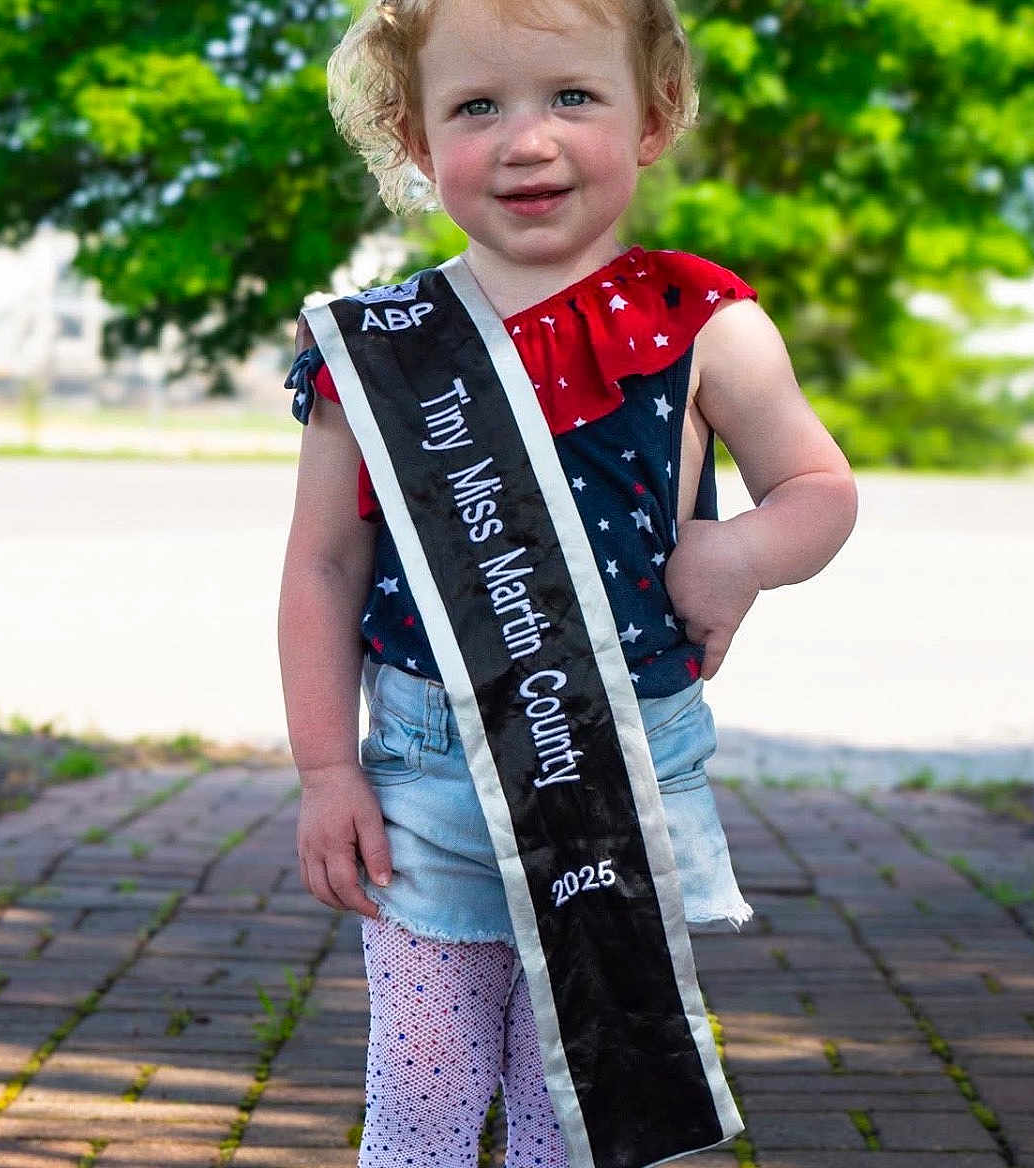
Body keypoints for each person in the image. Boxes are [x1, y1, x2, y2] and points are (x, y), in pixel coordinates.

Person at [278, 0, 858, 1164]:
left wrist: (736, 553)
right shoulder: (376, 348)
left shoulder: (704, 322)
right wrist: (324, 767)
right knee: (423, 1092)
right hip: (423, 766)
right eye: (476, 106)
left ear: (653, 118)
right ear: (412, 137)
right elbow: (322, 564)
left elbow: (818, 489)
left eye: (572, 98)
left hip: (626, 755)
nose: (525, 140)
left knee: (591, 1100)